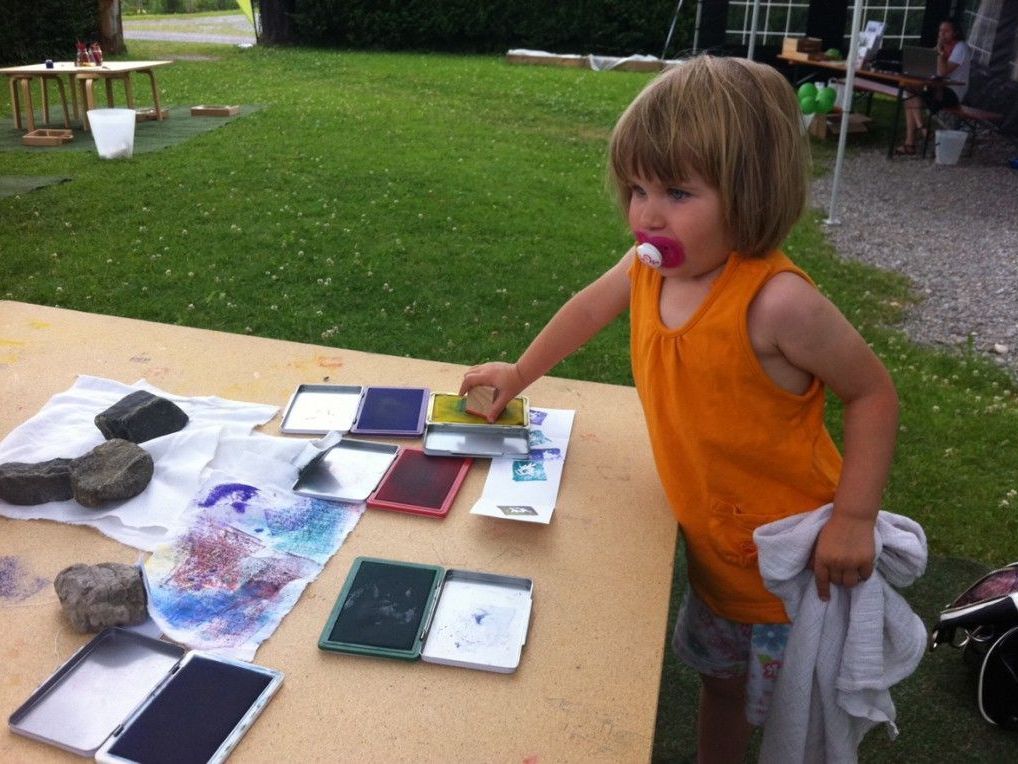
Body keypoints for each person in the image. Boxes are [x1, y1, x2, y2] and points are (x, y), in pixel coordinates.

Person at [460, 55, 899, 763]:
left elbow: (873, 392)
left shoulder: (777, 302)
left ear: (749, 192)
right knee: (719, 687)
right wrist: (519, 372)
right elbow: (585, 311)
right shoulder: (647, 266)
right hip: (712, 553)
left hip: (795, 567)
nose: (647, 213)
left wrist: (854, 518)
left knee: (797, 712)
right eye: (636, 188)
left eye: (676, 191)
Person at [898, 18, 972, 155]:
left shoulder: (961, 47)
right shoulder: (941, 47)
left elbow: (943, 72)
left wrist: (939, 55)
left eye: (946, 31)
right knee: (910, 90)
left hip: (953, 92)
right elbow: (926, 67)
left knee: (910, 95)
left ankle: (913, 141)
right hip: (938, 87)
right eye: (940, 31)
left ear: (955, 33)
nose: (942, 34)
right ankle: (919, 132)